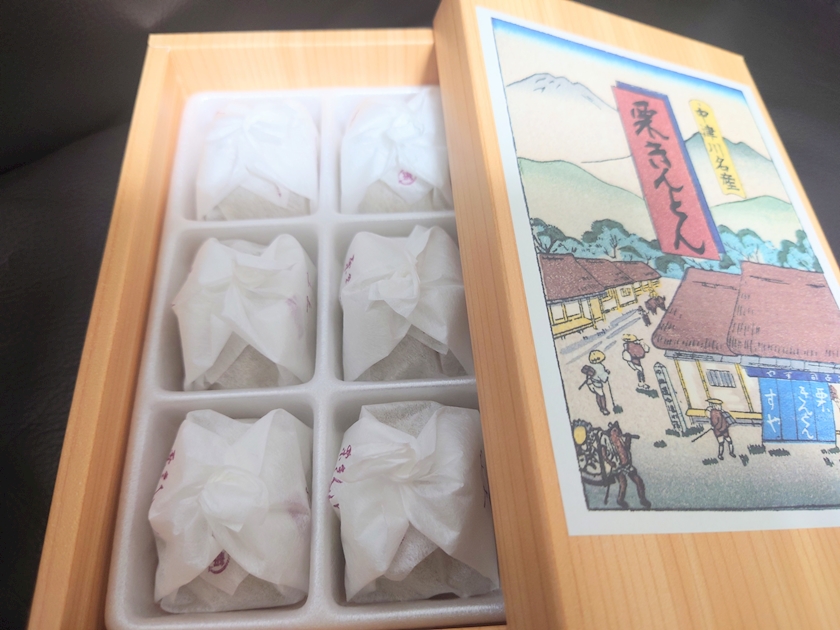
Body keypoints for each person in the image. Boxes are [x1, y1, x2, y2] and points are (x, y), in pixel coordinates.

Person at [581, 350, 611, 415]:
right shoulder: (600, 366)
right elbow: (603, 377)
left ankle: (601, 408)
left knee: (597, 395)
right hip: (597, 384)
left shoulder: (592, 365)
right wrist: (607, 373)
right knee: (602, 396)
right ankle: (604, 408)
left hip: (591, 383)